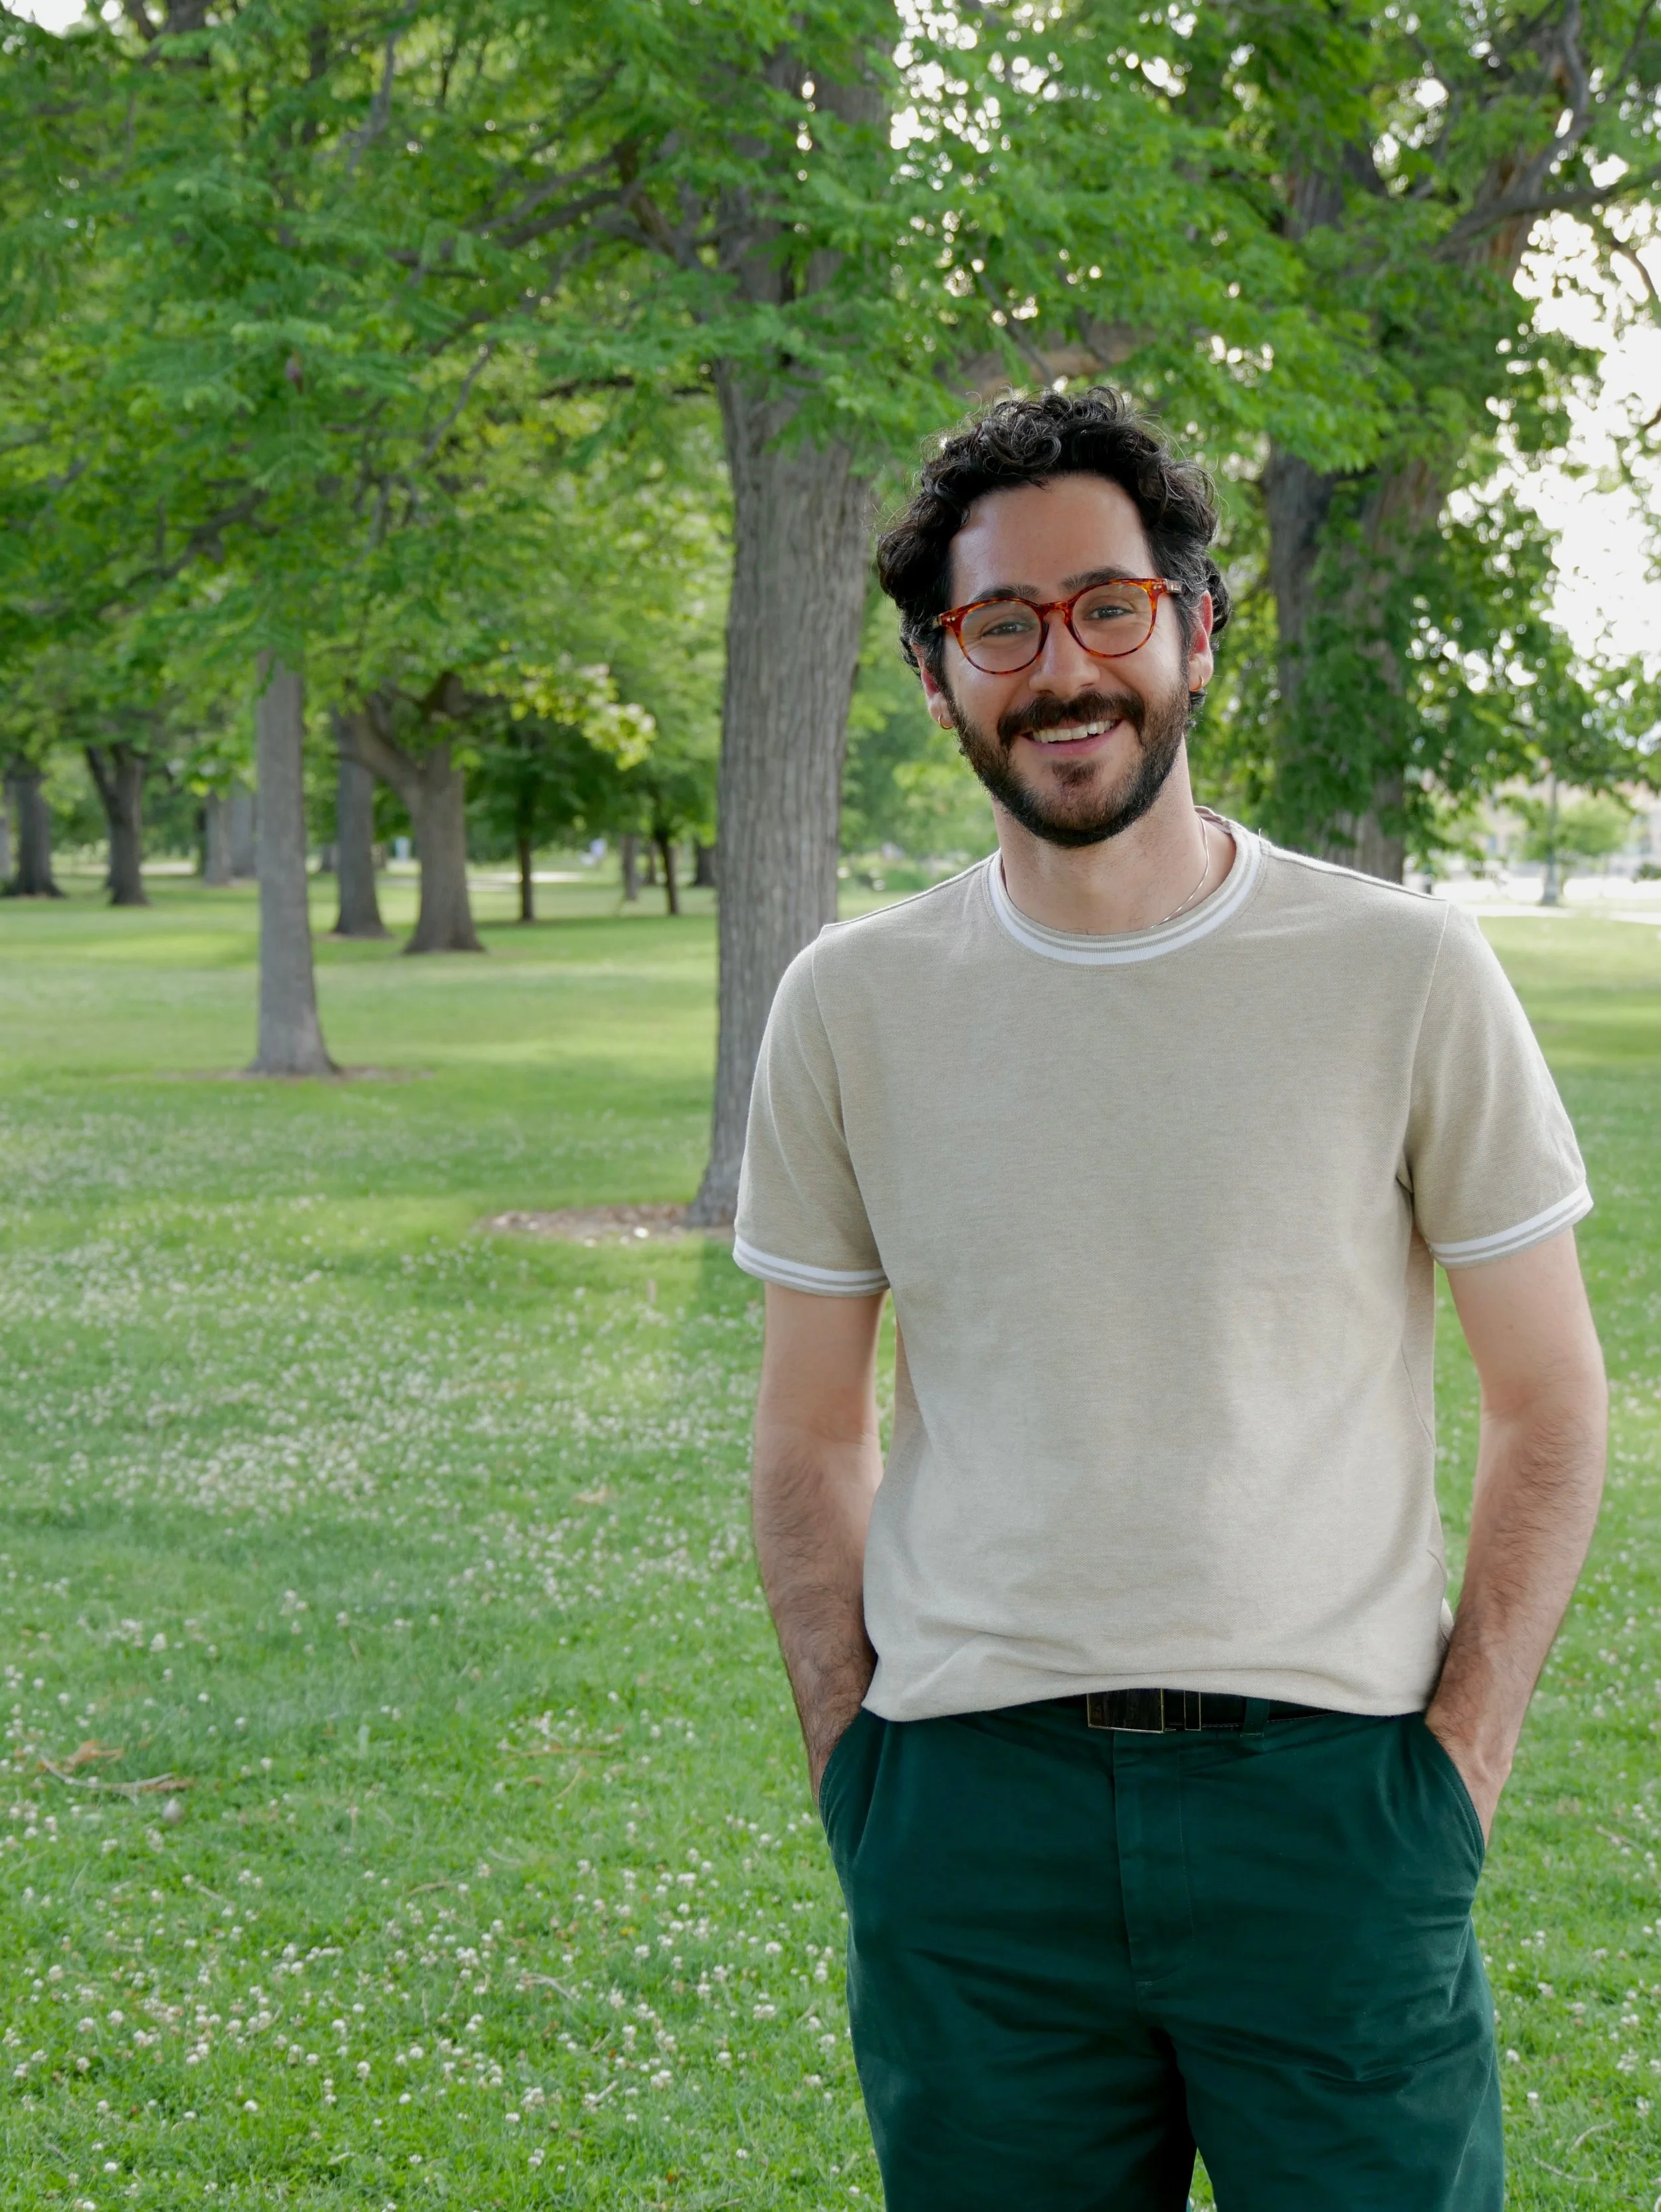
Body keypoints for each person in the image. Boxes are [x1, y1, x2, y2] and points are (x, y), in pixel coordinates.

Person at [732, 387, 1608, 2210]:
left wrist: (1454, 1774)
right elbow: (813, 1430)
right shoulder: (849, 1005)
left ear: (1192, 632)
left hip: (1332, 1814)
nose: (1062, 668)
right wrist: (858, 1789)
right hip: (971, 1824)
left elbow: (1550, 1403)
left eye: (1106, 608)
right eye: (1002, 626)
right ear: (937, 671)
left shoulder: (1403, 973)